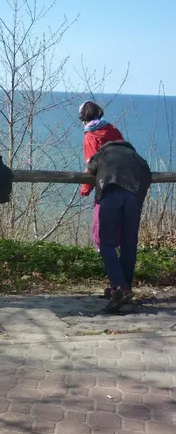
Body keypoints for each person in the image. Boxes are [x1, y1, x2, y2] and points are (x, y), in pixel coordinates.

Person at [86, 140, 151, 311]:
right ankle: (125, 287)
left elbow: (91, 167)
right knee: (129, 244)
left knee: (106, 243)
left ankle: (119, 286)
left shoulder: (105, 153)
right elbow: (147, 175)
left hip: (111, 195)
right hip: (134, 198)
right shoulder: (137, 158)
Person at [79, 101, 124, 250]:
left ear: (84, 118)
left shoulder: (90, 136)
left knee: (101, 218)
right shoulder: (113, 130)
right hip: (124, 180)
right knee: (118, 218)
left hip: (104, 184)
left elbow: (93, 166)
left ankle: (102, 253)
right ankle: (117, 249)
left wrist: (85, 189)